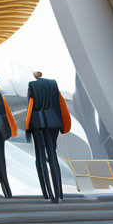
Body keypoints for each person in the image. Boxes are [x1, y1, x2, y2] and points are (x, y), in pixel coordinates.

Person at [26, 72, 71, 202]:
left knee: (40, 156)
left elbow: (30, 105)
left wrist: (28, 126)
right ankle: (59, 193)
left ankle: (47, 193)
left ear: (35, 76)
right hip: (53, 122)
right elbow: (60, 102)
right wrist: (64, 123)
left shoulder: (32, 85)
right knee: (52, 155)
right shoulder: (53, 83)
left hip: (38, 122)